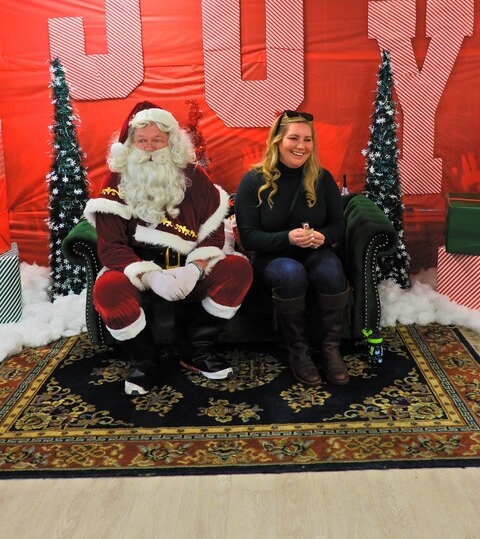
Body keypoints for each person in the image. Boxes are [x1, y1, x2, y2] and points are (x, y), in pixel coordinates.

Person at [84, 101, 253, 396]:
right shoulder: (115, 182)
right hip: (138, 270)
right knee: (108, 289)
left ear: (170, 141)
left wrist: (194, 269)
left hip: (188, 266)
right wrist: (150, 276)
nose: (150, 149)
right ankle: (145, 359)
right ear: (130, 144)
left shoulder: (194, 177)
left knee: (237, 269)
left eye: (157, 140)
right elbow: (111, 247)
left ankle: (196, 349)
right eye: (142, 141)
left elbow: (213, 232)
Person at [235, 110, 349, 386]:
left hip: (315, 252)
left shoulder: (321, 178)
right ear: (277, 141)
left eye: (307, 139)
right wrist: (288, 238)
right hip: (272, 258)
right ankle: (298, 351)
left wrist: (322, 236)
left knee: (331, 269)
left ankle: (330, 348)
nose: (301, 146)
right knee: (290, 272)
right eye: (294, 138)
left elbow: (338, 225)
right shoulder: (253, 181)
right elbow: (249, 237)